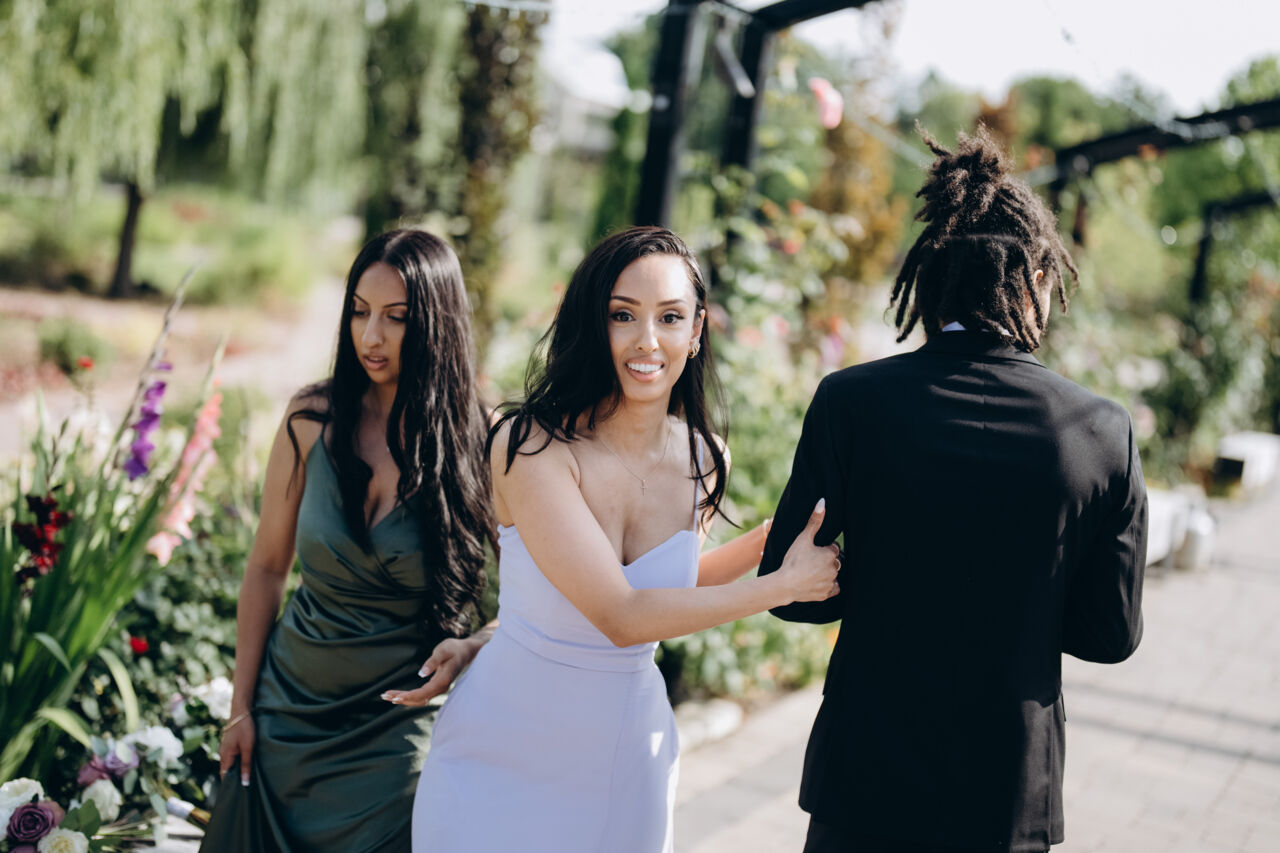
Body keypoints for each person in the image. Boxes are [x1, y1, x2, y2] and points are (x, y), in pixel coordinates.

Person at [389, 226, 841, 853]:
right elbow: (621, 614)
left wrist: (767, 546)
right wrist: (781, 587)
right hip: (500, 751)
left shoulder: (705, 459)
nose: (646, 340)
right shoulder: (530, 446)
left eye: (670, 317)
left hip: (624, 759)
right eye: (622, 315)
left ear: (697, 329)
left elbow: (668, 589)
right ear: (591, 323)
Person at [759, 127, 1148, 853]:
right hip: (1007, 795)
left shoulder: (850, 401)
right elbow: (1110, 636)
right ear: (1037, 278)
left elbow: (788, 591)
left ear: (930, 275)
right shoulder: (1102, 430)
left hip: (863, 781)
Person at [199, 229, 496, 852]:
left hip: (399, 728)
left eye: (396, 318)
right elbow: (266, 569)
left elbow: (540, 592)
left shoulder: (482, 440)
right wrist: (241, 707)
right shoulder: (311, 420)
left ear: (437, 323)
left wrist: (474, 645)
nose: (371, 336)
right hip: (285, 713)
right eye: (360, 312)